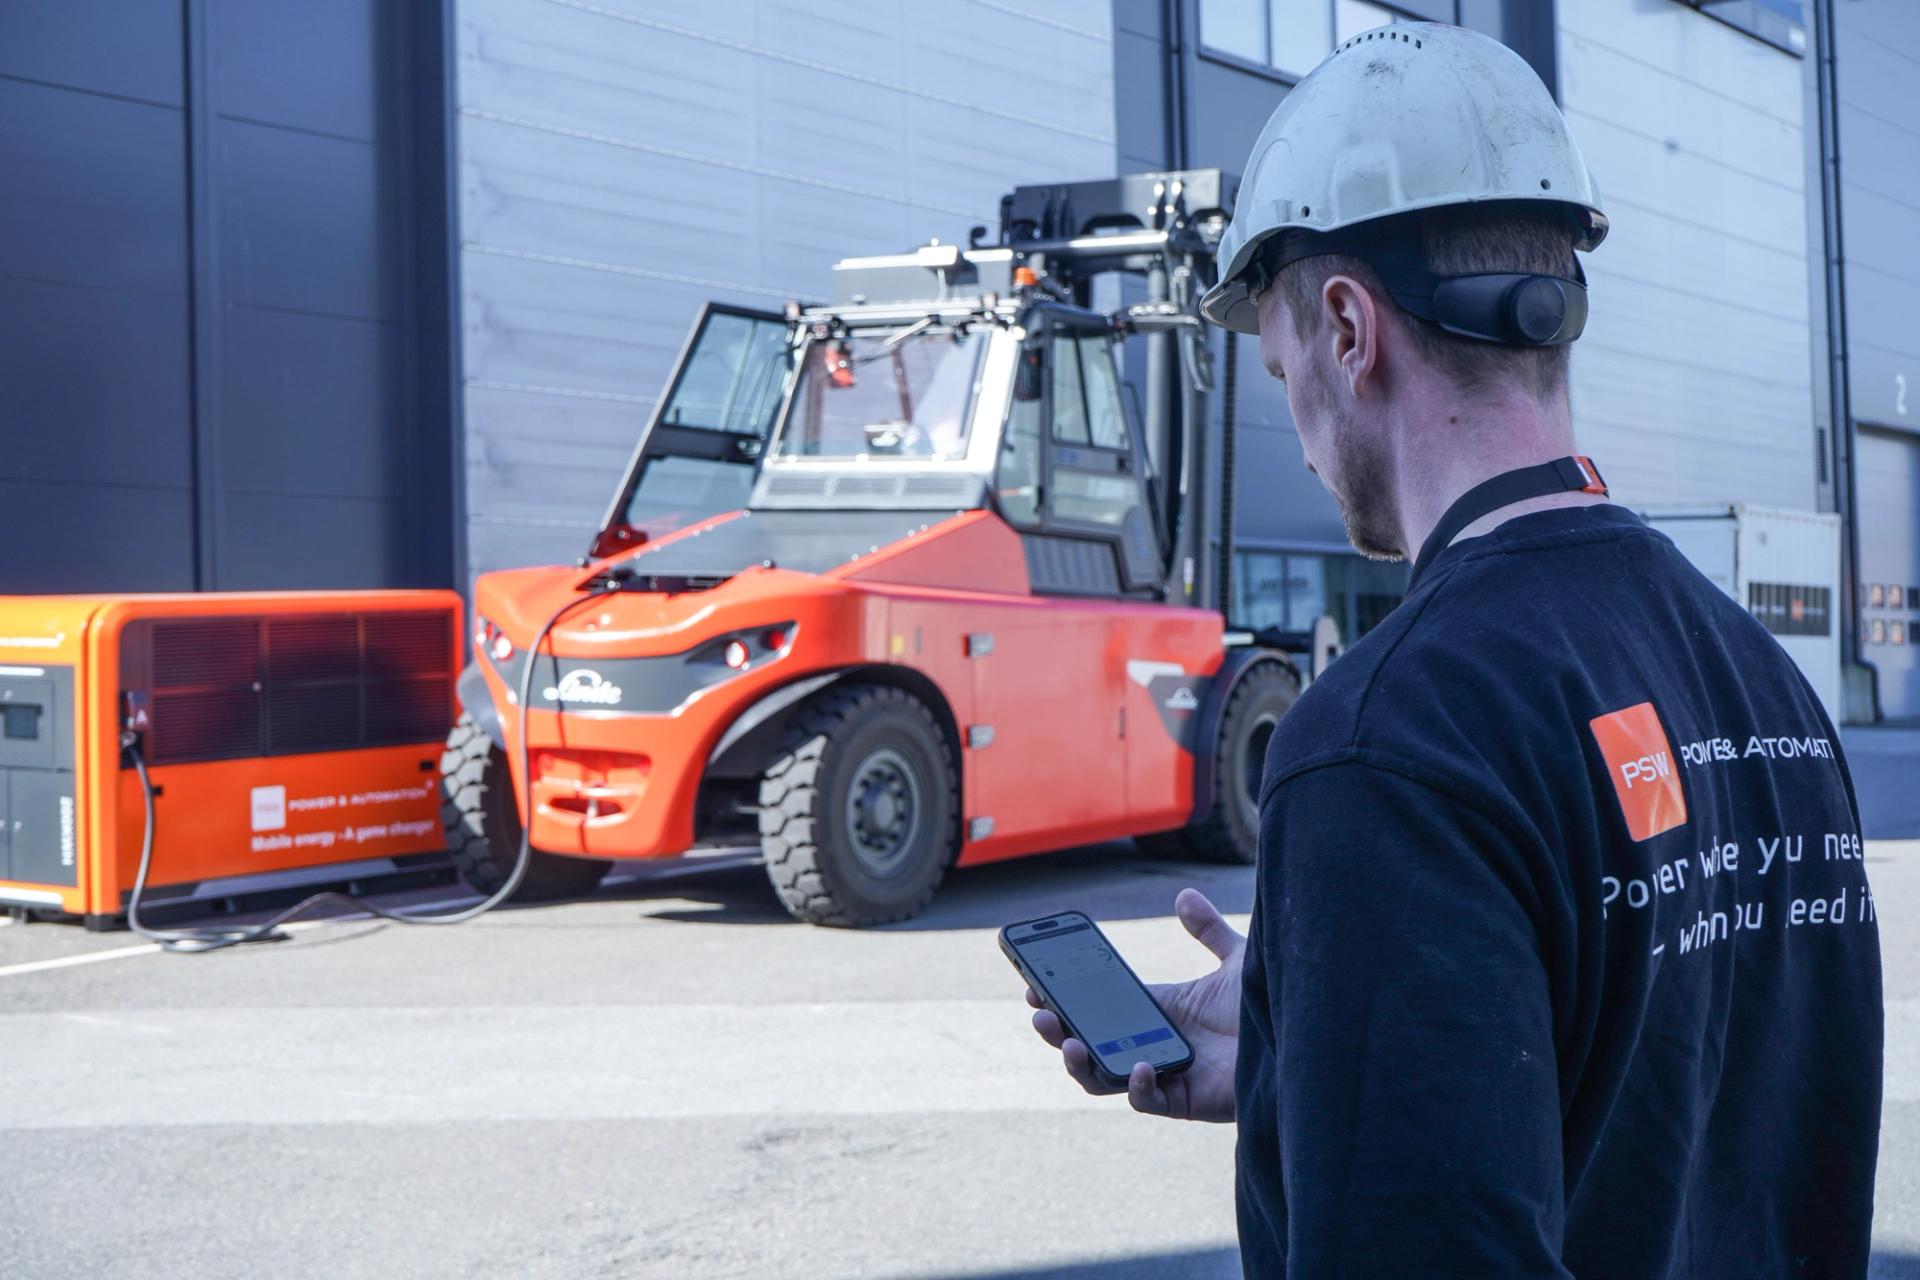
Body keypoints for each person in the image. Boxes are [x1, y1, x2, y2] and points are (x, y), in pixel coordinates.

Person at [1025, 21, 1882, 1278]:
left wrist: (1362, 997)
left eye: (1281, 371)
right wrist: (1307, 1046)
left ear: (1349, 330)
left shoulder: (1386, 744)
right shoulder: (1767, 683)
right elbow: (1663, 1094)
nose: (1303, 435)